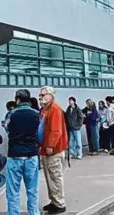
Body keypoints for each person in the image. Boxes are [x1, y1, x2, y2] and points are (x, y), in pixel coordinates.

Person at [5, 89, 40, 215]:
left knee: (13, 192)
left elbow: (7, 128)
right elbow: (40, 134)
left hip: (14, 155)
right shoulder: (37, 114)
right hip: (31, 155)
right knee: (33, 191)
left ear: (17, 99)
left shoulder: (11, 114)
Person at [39, 86, 68, 215]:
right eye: (40, 95)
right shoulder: (46, 109)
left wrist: (50, 144)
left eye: (44, 94)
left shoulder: (54, 109)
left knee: (55, 176)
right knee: (50, 177)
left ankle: (59, 203)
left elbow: (56, 130)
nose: (41, 97)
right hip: (47, 149)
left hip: (53, 150)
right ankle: (54, 201)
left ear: (51, 95)